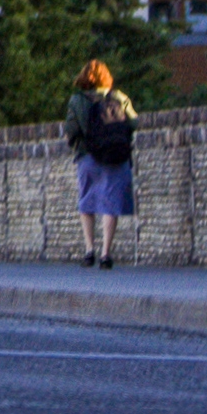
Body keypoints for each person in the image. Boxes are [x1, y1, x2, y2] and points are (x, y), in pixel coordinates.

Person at [61, 57, 137, 265]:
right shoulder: (119, 97)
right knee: (110, 204)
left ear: (83, 78)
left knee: (87, 201)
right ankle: (106, 254)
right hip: (116, 155)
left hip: (88, 156)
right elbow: (134, 122)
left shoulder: (77, 101)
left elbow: (71, 130)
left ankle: (89, 250)